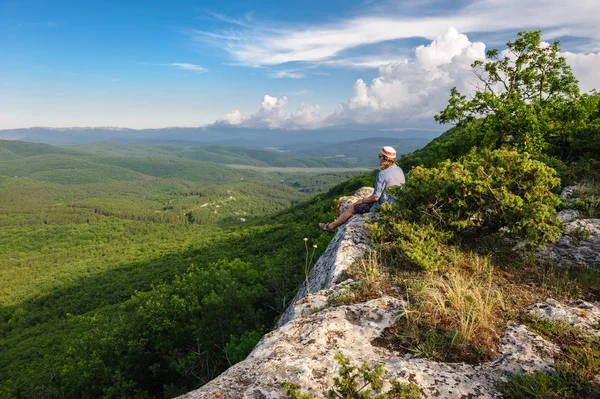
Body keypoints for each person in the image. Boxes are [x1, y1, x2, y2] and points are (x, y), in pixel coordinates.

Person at [319, 146, 405, 233]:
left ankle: (331, 226)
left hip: (384, 207)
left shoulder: (382, 174)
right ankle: (331, 225)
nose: (379, 158)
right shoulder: (399, 170)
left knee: (352, 207)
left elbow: (375, 197)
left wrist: (361, 201)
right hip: (397, 205)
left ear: (385, 158)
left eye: (380, 156)